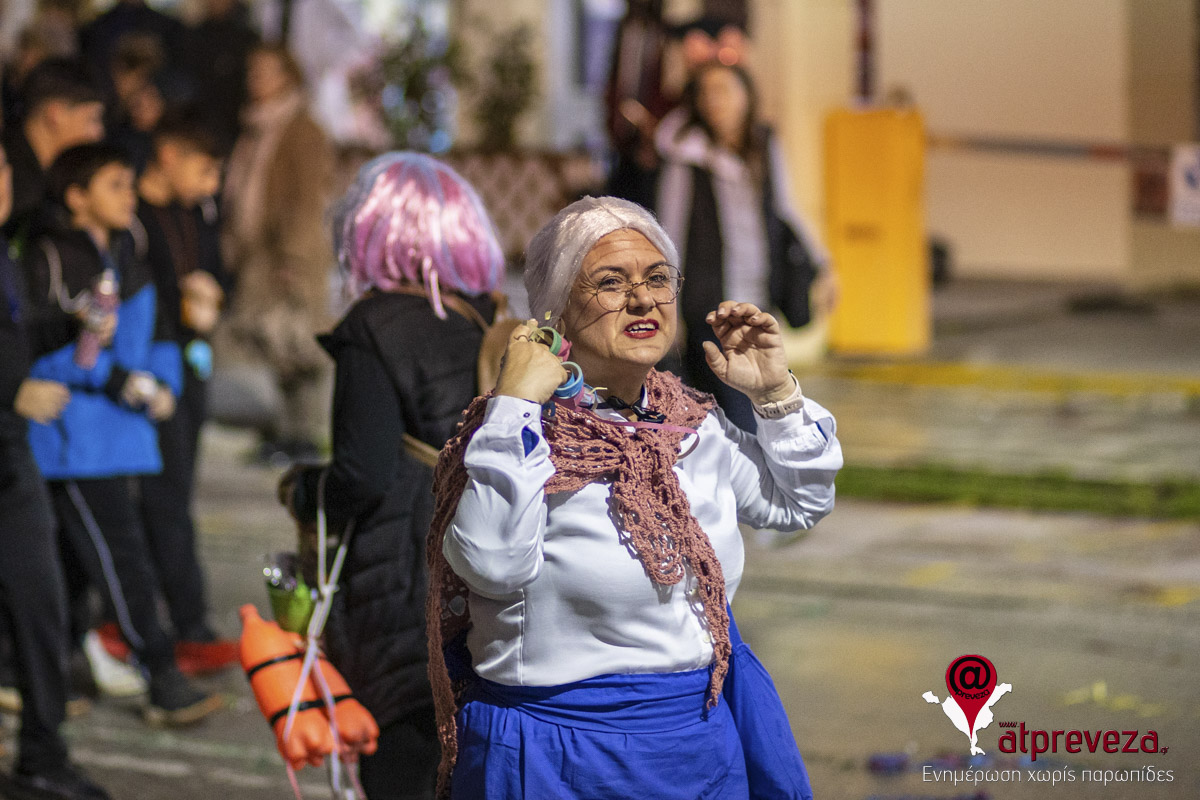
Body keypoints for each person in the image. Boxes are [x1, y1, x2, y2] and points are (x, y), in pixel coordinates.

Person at [425, 196, 842, 799]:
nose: (643, 299)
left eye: (657, 278)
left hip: (696, 750)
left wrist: (775, 393)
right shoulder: (517, 435)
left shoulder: (690, 426)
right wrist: (514, 407)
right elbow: (491, 563)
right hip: (553, 756)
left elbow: (798, 504)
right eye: (610, 282)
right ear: (555, 311)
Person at [279, 153, 506, 800]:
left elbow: (364, 472)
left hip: (404, 582)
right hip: (485, 578)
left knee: (403, 763)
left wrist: (303, 490)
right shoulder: (487, 324)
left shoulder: (373, 327)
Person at [20, 142, 221, 726]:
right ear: (75, 196)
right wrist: (116, 379)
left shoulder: (127, 254)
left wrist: (164, 382)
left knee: (75, 563)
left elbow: (158, 333)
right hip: (75, 441)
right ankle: (161, 674)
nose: (129, 195)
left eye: (129, 184)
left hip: (116, 435)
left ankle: (41, 672)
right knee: (121, 557)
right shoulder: (50, 258)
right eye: (114, 184)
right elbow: (42, 351)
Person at [0, 139, 111, 800]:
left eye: (1, 166)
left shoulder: (6, 254)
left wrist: (74, 325)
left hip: (13, 465)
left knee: (41, 606)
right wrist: (9, 396)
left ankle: (43, 754)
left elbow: (17, 337)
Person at [656, 61, 836, 431]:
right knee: (735, 414)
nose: (714, 99)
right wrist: (668, 303)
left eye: (724, 89)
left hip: (757, 299)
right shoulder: (685, 155)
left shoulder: (764, 145)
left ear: (746, 96)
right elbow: (668, 235)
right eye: (706, 91)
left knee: (761, 406)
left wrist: (825, 265)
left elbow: (787, 209)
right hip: (709, 306)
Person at [131, 116, 235, 673]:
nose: (212, 184)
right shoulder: (132, 216)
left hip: (190, 365)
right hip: (149, 371)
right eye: (205, 168)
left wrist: (213, 295)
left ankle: (172, 621)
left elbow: (219, 272)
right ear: (168, 153)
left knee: (173, 492)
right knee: (161, 497)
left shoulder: (199, 213)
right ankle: (183, 624)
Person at [217, 43, 335, 464]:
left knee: (299, 345)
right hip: (260, 253)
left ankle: (305, 434)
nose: (256, 80)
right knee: (273, 344)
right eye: (253, 71)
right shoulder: (255, 126)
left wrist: (293, 258)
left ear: (288, 76)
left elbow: (307, 199)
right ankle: (286, 431)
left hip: (289, 256)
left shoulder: (303, 129)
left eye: (266, 72)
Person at [1, 58, 104, 246]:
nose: (99, 133)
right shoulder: (13, 182)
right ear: (55, 114)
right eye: (92, 119)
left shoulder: (44, 179)